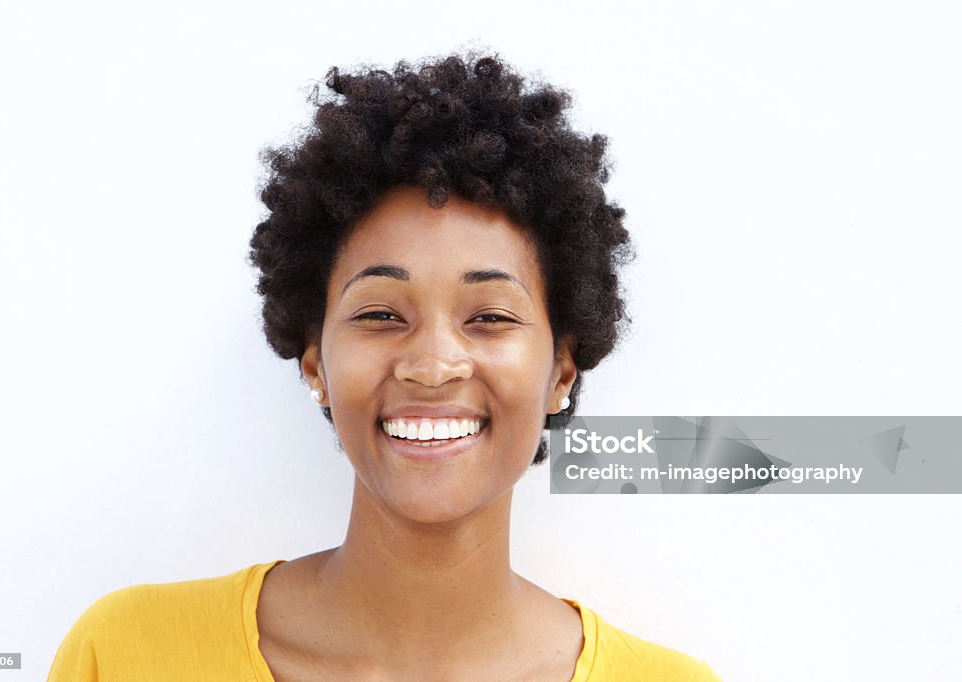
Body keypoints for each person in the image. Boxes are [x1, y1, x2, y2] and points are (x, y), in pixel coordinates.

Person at [47, 51, 721, 681]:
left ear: (561, 373)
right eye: (380, 315)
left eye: (489, 316)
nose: (432, 365)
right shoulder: (127, 654)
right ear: (315, 362)